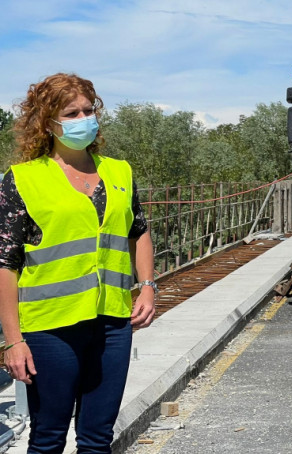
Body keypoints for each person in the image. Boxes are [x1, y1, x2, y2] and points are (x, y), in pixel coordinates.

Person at [0, 73, 157, 453]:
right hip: (50, 327)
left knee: (98, 438)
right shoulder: (22, 179)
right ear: (48, 122)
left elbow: (139, 231)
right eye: (72, 112)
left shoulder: (119, 171)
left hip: (112, 324)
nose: (84, 118)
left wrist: (148, 286)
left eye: (89, 110)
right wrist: (13, 340)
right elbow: (5, 264)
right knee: (48, 437)